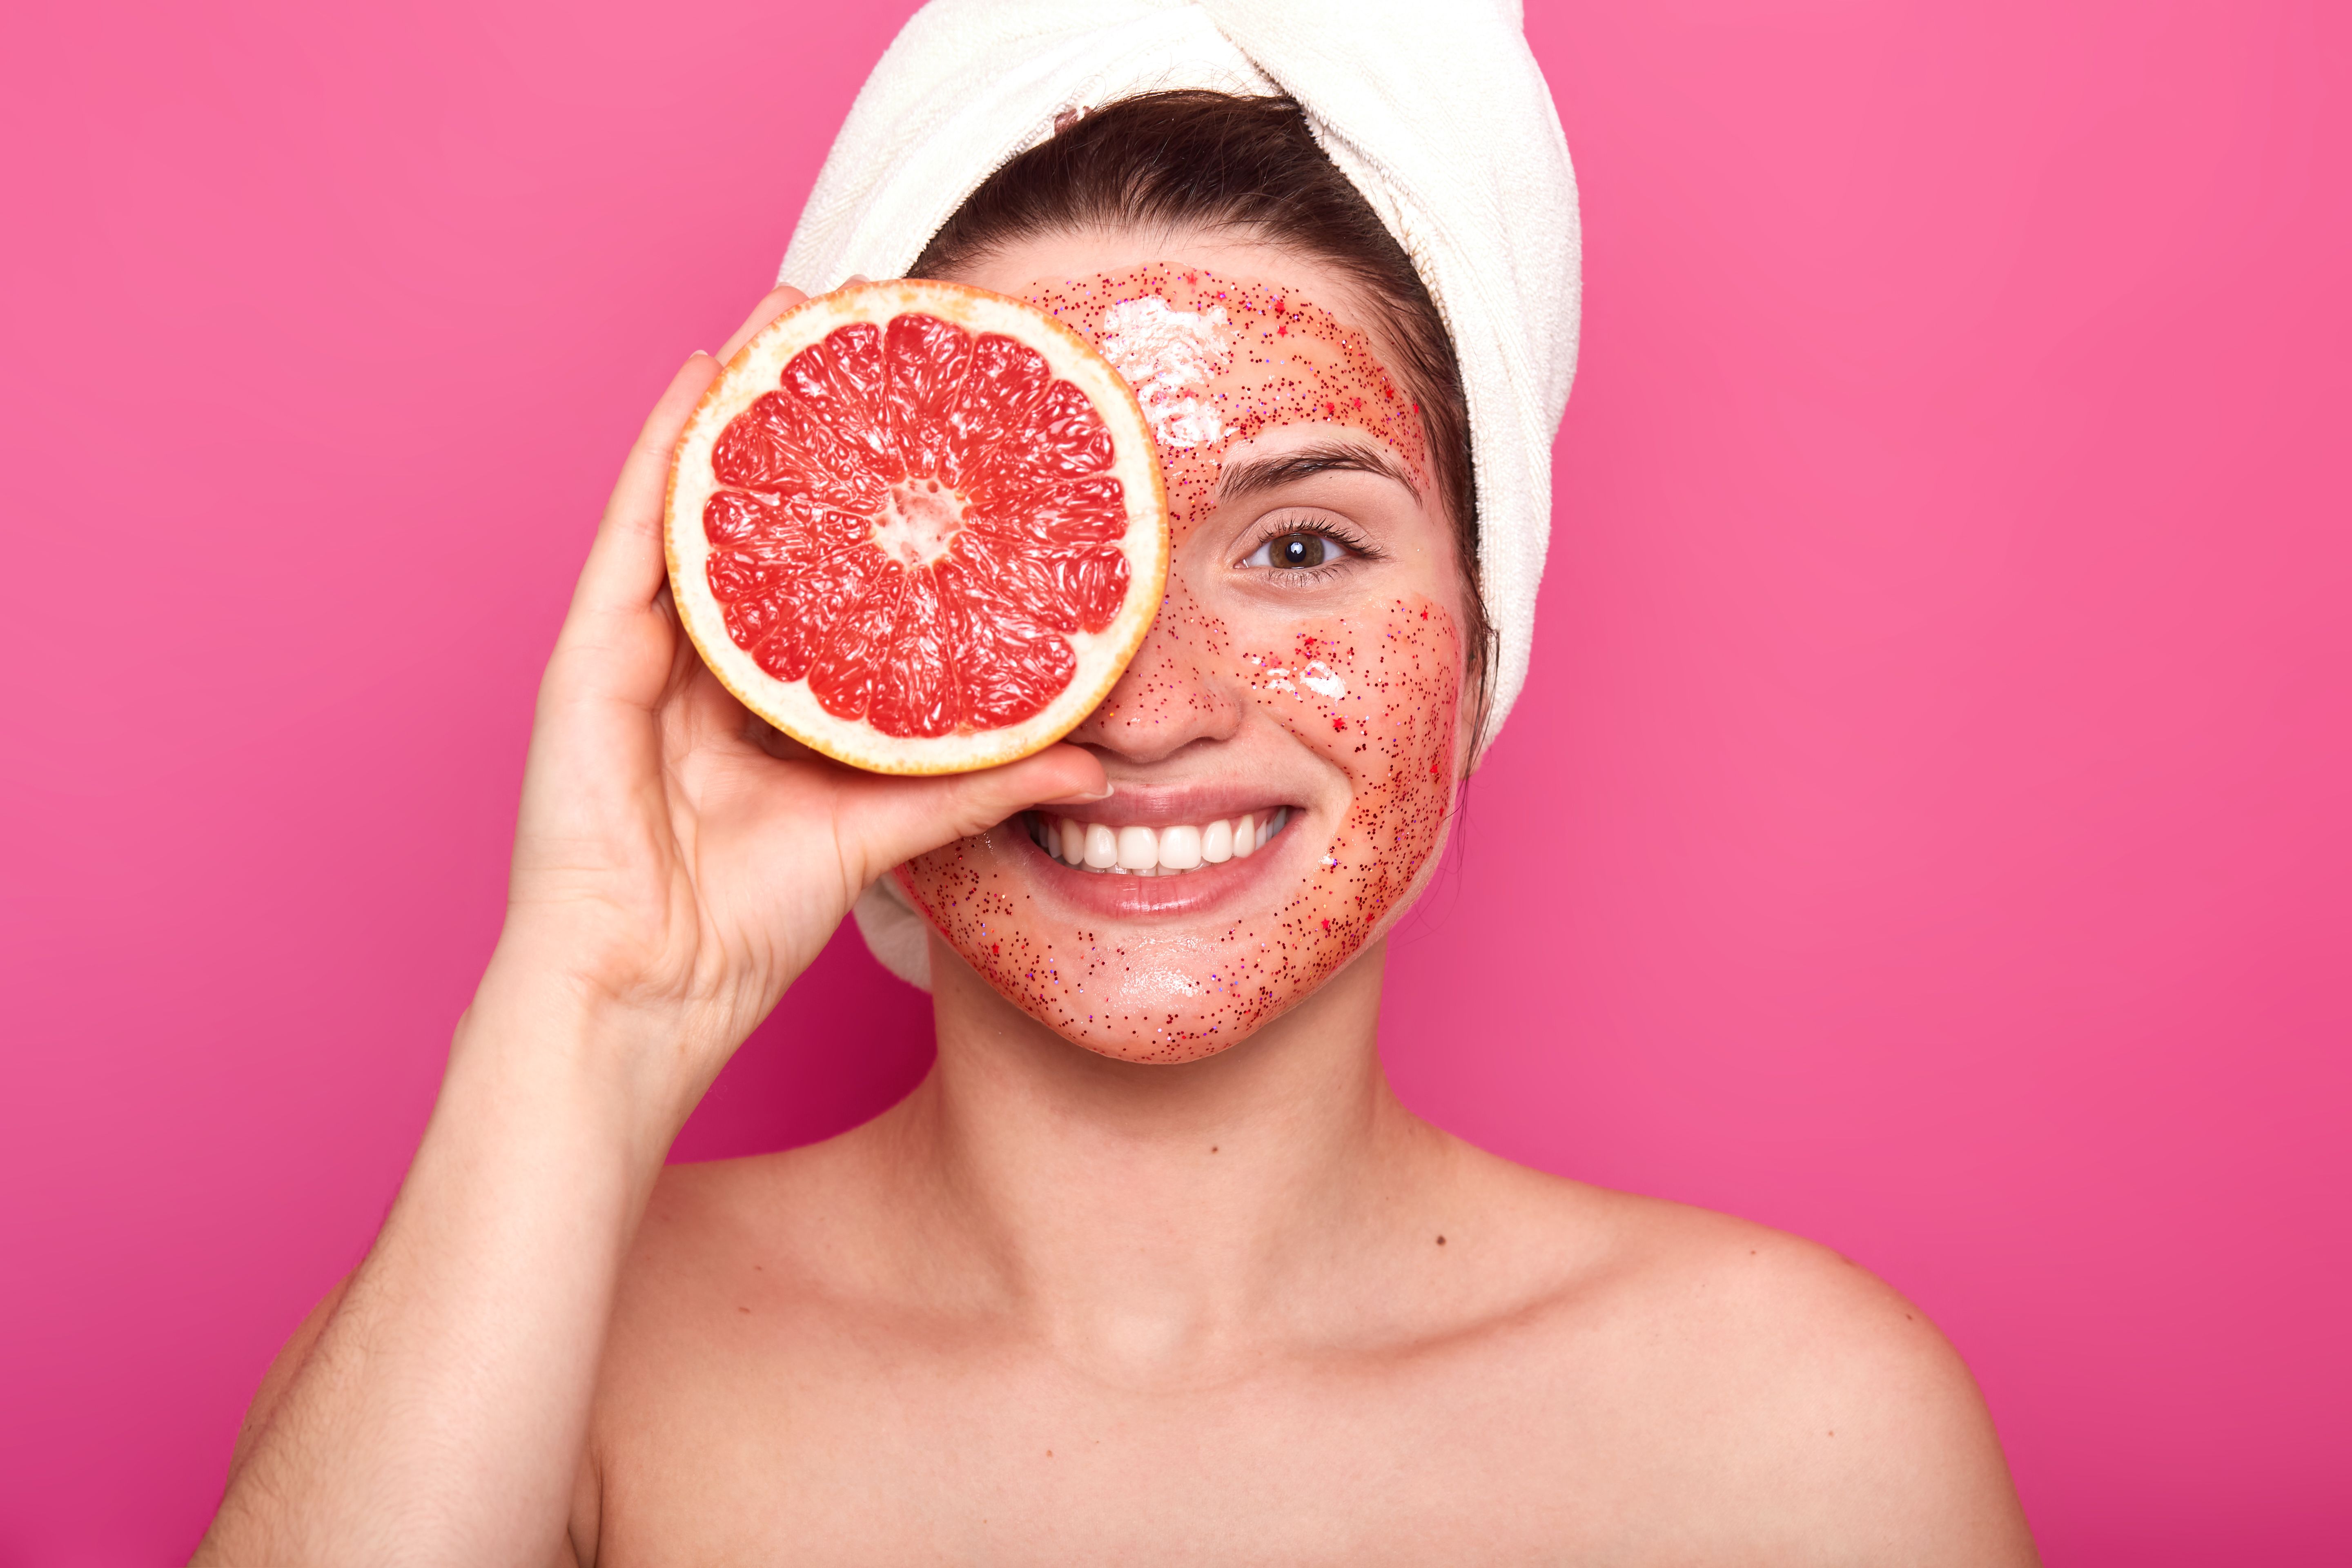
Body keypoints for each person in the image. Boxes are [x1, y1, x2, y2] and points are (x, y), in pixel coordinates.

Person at [195, 7, 2040, 1564]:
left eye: (1302, 548)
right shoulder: (537, 1371)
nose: (1150, 706)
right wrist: (597, 1005)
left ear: (1485, 627)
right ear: (845, 649)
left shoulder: (1793, 1437)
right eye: (1029, 561)